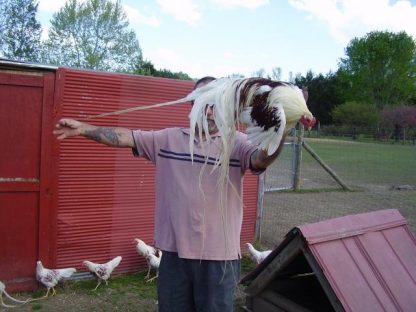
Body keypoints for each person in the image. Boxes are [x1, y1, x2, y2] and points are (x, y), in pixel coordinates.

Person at [53, 76, 285, 312]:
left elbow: (262, 158)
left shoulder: (237, 143)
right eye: (202, 102)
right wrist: (83, 129)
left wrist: (281, 131)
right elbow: (125, 136)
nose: (208, 111)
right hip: (174, 256)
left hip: (220, 259)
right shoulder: (168, 140)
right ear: (191, 106)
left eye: (215, 103)